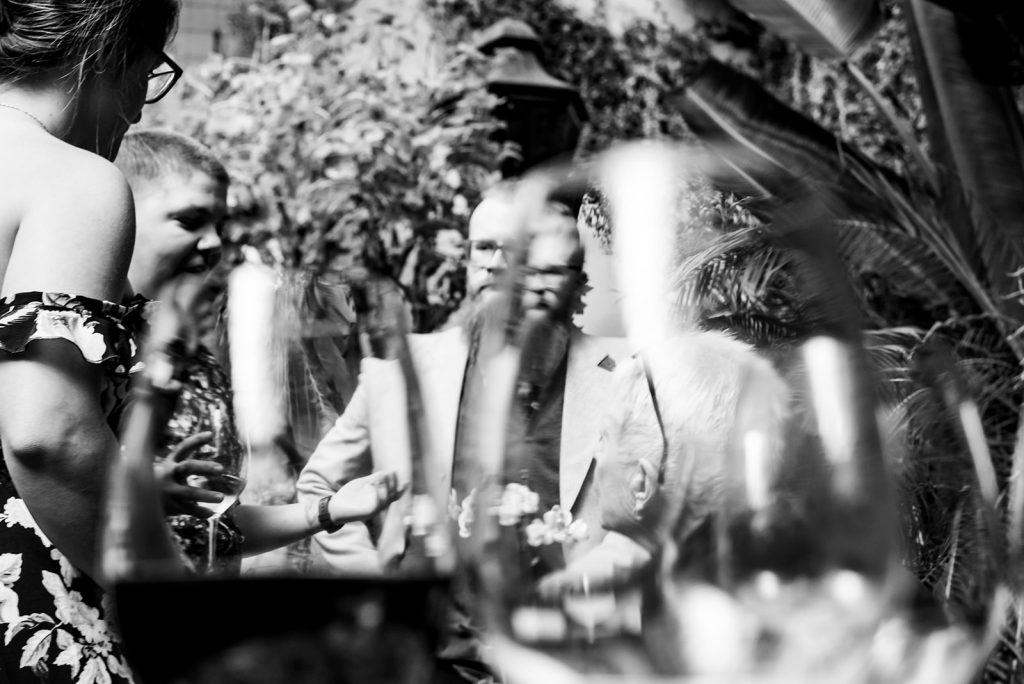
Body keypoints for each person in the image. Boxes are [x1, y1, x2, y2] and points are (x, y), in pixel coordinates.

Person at [297, 187, 631, 681]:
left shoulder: (623, 374)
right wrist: (380, 590)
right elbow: (318, 490)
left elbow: (648, 520)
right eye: (483, 248)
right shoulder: (397, 374)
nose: (496, 264)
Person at [114, 129, 404, 574]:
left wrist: (326, 511)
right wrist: (134, 491)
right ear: (119, 214)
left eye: (219, 227)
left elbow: (212, 524)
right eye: (190, 221)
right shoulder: (74, 345)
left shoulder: (188, 352)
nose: (214, 243)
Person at [0, 1, 182, 680]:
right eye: (151, 72)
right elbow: (48, 433)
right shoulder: (71, 180)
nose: (139, 111)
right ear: (112, 50)